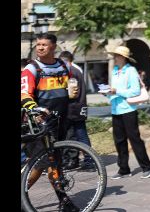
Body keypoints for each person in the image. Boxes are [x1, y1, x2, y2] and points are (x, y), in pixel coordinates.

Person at [21, 33, 81, 211]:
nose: (39, 47)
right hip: (40, 123)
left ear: (54, 47)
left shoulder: (63, 66)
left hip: (60, 121)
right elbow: (24, 94)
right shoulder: (31, 69)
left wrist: (72, 93)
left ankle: (64, 201)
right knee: (40, 164)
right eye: (38, 44)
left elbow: (70, 87)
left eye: (44, 45)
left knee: (55, 163)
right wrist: (34, 109)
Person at [105, 45, 150, 179]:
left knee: (135, 139)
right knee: (119, 140)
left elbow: (135, 91)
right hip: (116, 109)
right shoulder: (115, 70)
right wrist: (108, 93)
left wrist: (117, 91)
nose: (114, 58)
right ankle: (124, 169)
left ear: (123, 57)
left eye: (116, 56)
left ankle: (147, 167)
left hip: (128, 109)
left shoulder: (131, 71)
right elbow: (113, 89)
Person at [58, 50, 96, 169]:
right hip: (78, 107)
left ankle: (89, 160)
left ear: (66, 60)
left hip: (74, 108)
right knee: (76, 135)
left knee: (79, 135)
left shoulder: (72, 72)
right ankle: (76, 160)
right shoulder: (75, 70)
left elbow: (72, 93)